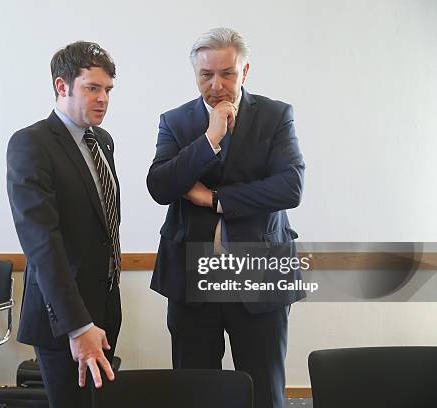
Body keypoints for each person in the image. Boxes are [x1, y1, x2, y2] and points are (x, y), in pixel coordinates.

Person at [146, 27, 305, 408]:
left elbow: (290, 187)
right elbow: (160, 186)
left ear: (244, 71)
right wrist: (209, 140)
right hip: (191, 277)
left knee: (264, 389)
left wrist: (214, 197)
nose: (216, 85)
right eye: (206, 75)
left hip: (259, 274)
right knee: (195, 391)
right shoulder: (176, 122)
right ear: (195, 74)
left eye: (227, 73)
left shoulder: (276, 116)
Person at [7, 41, 121, 408]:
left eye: (107, 89)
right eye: (92, 87)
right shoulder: (31, 144)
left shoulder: (102, 141)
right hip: (64, 317)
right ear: (62, 86)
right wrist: (78, 325)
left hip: (105, 306)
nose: (102, 98)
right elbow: (42, 244)